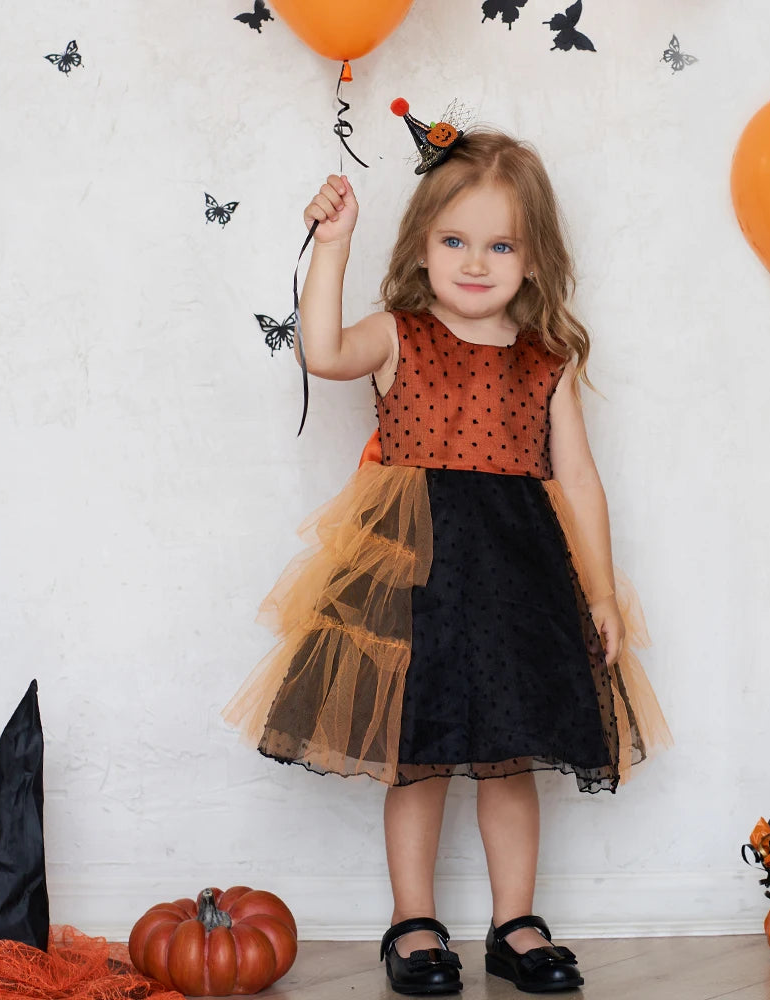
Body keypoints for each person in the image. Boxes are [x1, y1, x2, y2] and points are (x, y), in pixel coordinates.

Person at [223, 105, 670, 996]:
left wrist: (599, 594)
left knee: (512, 759)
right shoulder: (400, 333)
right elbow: (321, 350)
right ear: (422, 244)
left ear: (533, 259)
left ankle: (516, 922)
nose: (474, 262)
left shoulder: (545, 359)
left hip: (518, 580)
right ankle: (414, 920)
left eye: (500, 246)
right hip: (412, 576)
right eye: (455, 241)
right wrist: (334, 246)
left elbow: (580, 481)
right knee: (417, 756)